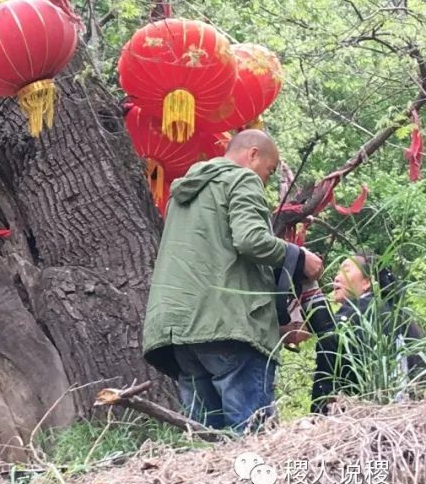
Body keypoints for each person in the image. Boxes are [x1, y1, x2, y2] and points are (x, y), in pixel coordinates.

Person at [142, 130, 324, 432]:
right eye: (268, 171)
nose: (265, 180)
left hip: (178, 332)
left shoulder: (183, 192)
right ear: (253, 154)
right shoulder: (243, 179)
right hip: (227, 329)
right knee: (251, 439)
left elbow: (216, 259)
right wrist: (300, 256)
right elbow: (251, 240)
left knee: (207, 447)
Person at [310, 254, 424, 412]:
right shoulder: (399, 316)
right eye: (337, 272)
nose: (336, 277)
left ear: (367, 282)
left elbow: (328, 349)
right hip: (405, 415)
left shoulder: (354, 315)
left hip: (363, 418)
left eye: (346, 271)